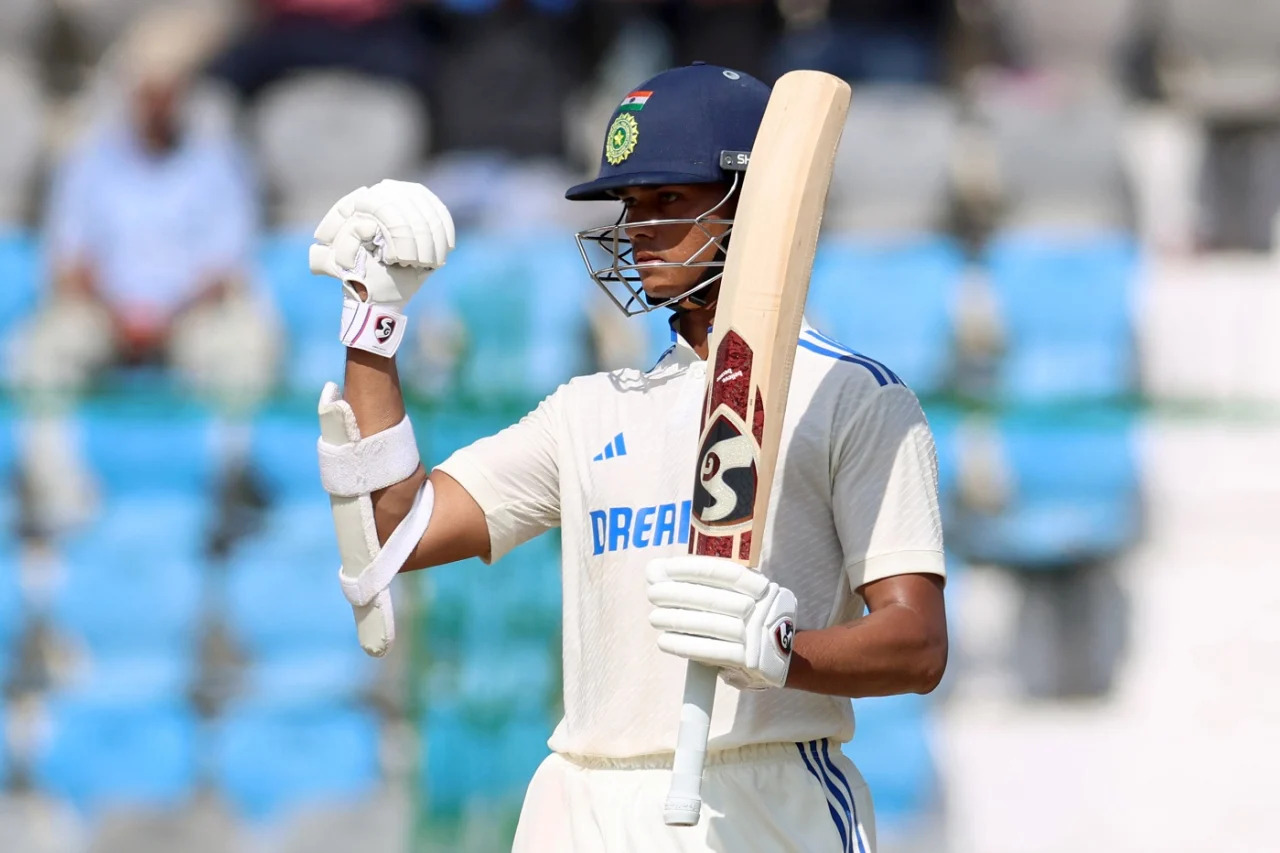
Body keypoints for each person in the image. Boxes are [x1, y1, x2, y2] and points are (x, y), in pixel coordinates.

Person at [310, 63, 947, 851]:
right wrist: (372, 326)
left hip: (763, 795)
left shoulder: (852, 398)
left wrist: (783, 653)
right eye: (631, 205)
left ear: (755, 203)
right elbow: (395, 527)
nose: (638, 228)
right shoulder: (591, 408)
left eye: (669, 200)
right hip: (587, 800)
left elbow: (916, 645)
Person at [10, 8, 278, 542]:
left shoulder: (216, 160)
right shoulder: (89, 161)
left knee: (247, 343)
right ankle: (56, 497)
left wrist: (163, 317)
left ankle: (228, 494)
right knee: (35, 353)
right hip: (105, 312)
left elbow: (228, 269)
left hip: (190, 315)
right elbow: (68, 262)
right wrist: (119, 315)